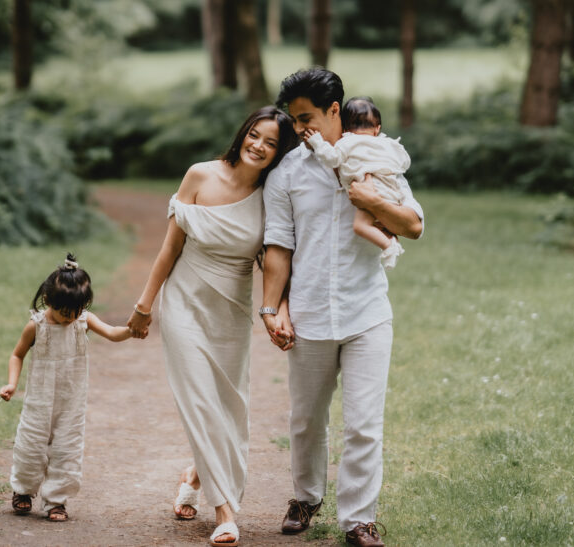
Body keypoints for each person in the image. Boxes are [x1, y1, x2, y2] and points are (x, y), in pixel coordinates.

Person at [259, 68, 424, 547]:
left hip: (367, 312)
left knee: (364, 424)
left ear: (335, 111)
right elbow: (278, 247)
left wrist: (371, 198)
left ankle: (358, 520)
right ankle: (306, 497)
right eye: (293, 121)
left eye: (306, 118)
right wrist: (273, 309)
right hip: (308, 312)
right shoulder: (287, 174)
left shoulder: (376, 158)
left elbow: (413, 225)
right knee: (307, 418)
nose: (298, 129)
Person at [127, 106, 298, 547]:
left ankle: (195, 474)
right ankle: (225, 513)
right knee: (201, 402)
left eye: (272, 143)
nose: (259, 146)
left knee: (227, 406)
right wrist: (144, 306)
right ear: (243, 133)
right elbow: (169, 248)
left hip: (230, 310)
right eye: (255, 136)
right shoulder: (199, 176)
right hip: (184, 301)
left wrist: (279, 310)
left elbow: (279, 260)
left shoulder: (272, 194)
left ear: (279, 153)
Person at [0, 253, 132, 522]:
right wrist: (12, 383)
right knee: (30, 447)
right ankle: (23, 491)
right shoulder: (36, 326)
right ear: (48, 301)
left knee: (67, 450)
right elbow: (17, 355)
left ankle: (56, 501)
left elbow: (114, 333)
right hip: (39, 401)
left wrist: (132, 329)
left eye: (77, 312)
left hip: (71, 402)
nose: (70, 319)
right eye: (65, 313)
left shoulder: (84, 321)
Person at [302, 96, 411, 269]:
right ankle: (392, 242)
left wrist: (317, 142)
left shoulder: (347, 142)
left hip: (371, 191)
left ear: (345, 128)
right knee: (382, 225)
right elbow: (404, 162)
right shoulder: (387, 144)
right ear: (377, 128)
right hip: (393, 192)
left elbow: (331, 159)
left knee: (361, 226)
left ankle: (389, 247)